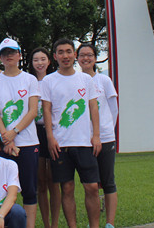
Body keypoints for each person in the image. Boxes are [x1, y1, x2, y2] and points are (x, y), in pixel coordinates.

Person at [40, 39, 101, 228]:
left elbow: (93, 107)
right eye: (61, 52)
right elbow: (47, 110)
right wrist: (50, 137)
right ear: (55, 56)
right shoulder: (48, 81)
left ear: (74, 54)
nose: (65, 55)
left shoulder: (86, 79)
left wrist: (96, 135)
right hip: (61, 144)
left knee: (92, 187)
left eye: (68, 51)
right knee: (66, 188)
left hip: (84, 143)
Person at [0, 38, 40, 228]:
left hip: (28, 142)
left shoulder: (30, 79)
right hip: (4, 144)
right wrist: (6, 137)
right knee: (3, 190)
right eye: (5, 53)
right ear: (0, 57)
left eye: (12, 52)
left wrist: (15, 132)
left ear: (19, 55)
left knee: (29, 190)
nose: (9, 56)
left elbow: (32, 111)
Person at [77, 44, 118, 228]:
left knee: (108, 182)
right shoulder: (76, 81)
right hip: (84, 140)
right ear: (77, 58)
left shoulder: (104, 80)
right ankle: (93, 223)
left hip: (105, 138)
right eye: (82, 55)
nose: (86, 58)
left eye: (90, 55)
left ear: (95, 58)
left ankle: (109, 223)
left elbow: (114, 109)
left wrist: (104, 131)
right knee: (91, 184)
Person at [28, 47, 60, 228]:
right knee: (41, 182)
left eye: (43, 59)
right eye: (35, 60)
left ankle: (54, 224)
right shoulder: (29, 81)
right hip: (34, 132)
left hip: (53, 131)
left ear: (49, 61)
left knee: (54, 180)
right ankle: (46, 224)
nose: (39, 63)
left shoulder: (54, 80)